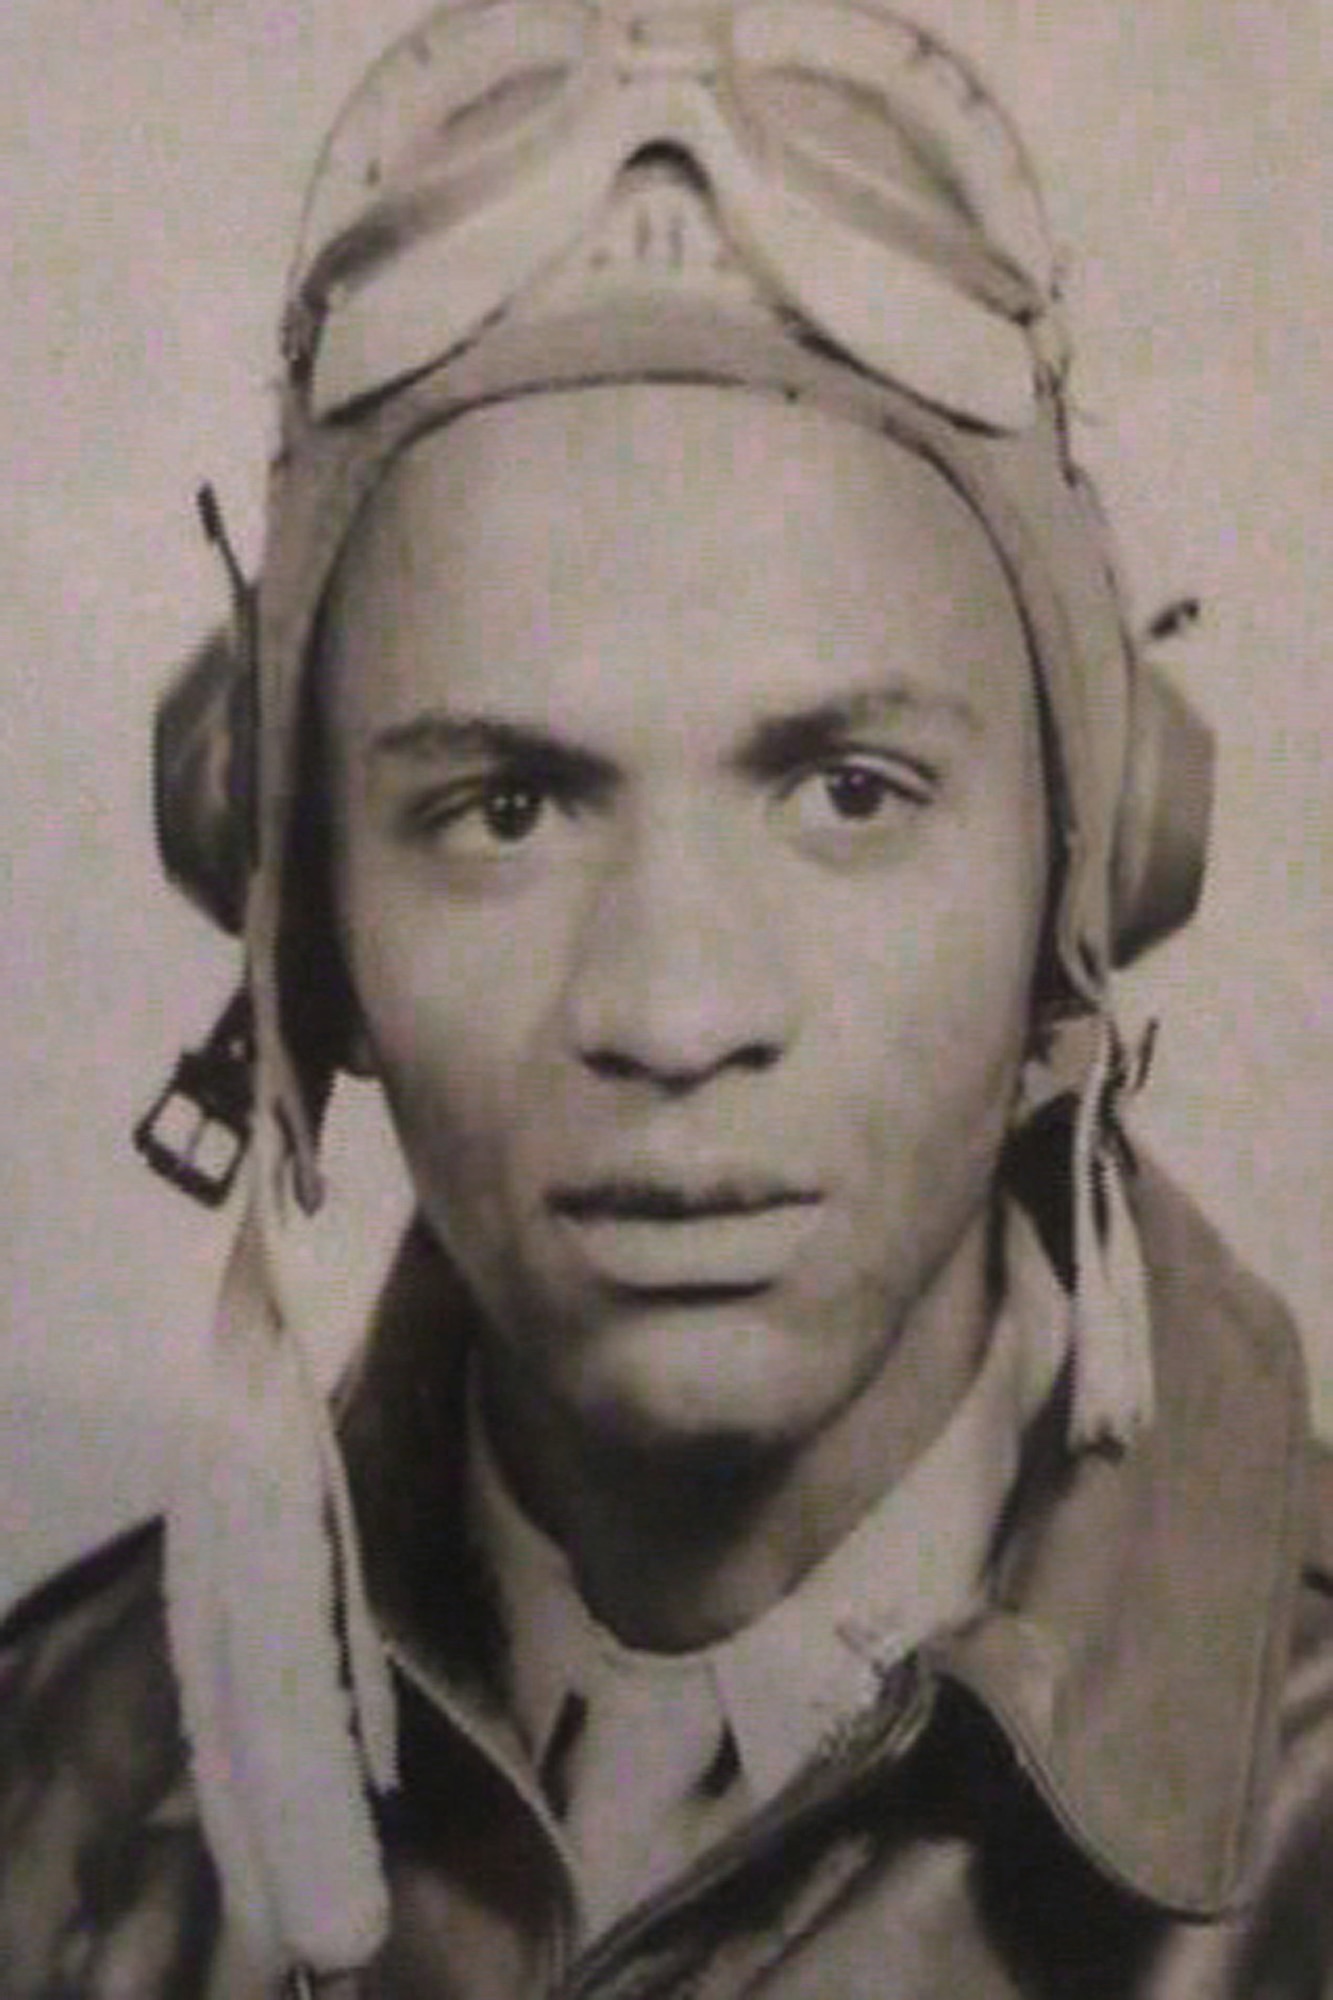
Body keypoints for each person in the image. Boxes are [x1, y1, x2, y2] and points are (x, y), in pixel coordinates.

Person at [2, 3, 1331, 1995]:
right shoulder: (57, 1804)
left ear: (1093, 870)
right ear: (297, 925)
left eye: (846, 793)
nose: (676, 1007)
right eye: (504, 808)